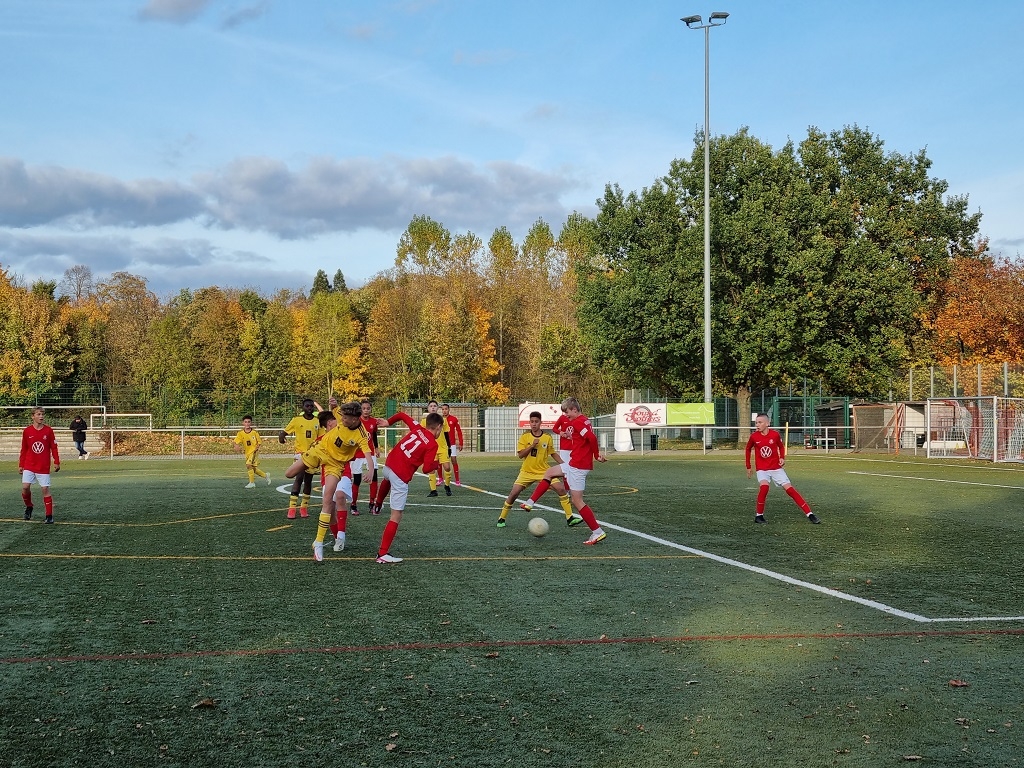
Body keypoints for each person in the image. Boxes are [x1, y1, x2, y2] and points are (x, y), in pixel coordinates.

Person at [285, 402, 371, 562]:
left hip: (335, 465)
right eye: (341, 417)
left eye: (345, 418)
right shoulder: (339, 418)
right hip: (319, 451)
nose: (341, 420)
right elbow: (327, 412)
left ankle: (318, 542)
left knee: (328, 500)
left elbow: (367, 453)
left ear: (354, 419)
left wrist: (370, 471)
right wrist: (332, 404)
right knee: (289, 474)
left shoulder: (361, 434)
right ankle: (333, 536)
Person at [520, 397, 608, 545]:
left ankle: (597, 531)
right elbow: (585, 437)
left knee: (577, 501)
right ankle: (530, 502)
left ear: (574, 409)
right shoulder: (584, 420)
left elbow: (592, 438)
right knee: (549, 473)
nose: (566, 416)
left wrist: (596, 455)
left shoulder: (579, 422)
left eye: (567, 413)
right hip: (575, 463)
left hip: (578, 466)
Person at [368, 411, 443, 564]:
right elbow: (426, 469)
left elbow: (402, 415)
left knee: (387, 479)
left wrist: (388, 422)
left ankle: (377, 504)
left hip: (389, 465)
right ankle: (382, 553)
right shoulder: (432, 444)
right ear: (439, 427)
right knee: (396, 515)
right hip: (400, 475)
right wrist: (437, 464)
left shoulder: (417, 428)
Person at [497, 410, 581, 528]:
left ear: (540, 422)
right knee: (513, 493)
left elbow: (552, 453)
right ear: (529, 423)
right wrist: (532, 446)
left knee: (561, 489)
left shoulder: (547, 437)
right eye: (532, 421)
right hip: (526, 472)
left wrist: (565, 465)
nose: (534, 424)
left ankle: (570, 518)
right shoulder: (525, 436)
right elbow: (521, 455)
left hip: (544, 471)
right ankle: (502, 518)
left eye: (536, 421)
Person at [745, 413, 819, 524]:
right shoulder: (754, 436)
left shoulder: (775, 435)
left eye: (760, 422)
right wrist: (748, 466)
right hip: (762, 469)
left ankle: (810, 514)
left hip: (776, 468)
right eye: (756, 423)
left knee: (790, 490)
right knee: (764, 488)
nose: (757, 425)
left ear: (767, 423)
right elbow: (747, 449)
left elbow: (780, 446)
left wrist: (782, 458)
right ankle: (759, 516)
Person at [278, 398, 324, 519]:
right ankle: (292, 508)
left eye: (311, 406)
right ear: (303, 408)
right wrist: (281, 437)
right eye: (307, 406)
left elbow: (322, 437)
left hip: (312, 454)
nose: (309, 408)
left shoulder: (317, 421)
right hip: (300, 454)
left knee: (308, 480)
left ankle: (304, 507)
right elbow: (284, 432)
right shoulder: (296, 420)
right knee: (299, 478)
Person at [19, 407, 60, 523]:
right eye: (38, 414)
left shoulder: (48, 431)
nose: (41, 416)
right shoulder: (27, 431)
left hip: (43, 465)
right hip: (29, 464)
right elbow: (24, 449)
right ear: (33, 416)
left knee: (45, 489)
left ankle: (49, 516)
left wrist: (56, 461)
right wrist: (21, 464)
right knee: (25, 487)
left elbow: (54, 447)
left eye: (42, 414)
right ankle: (29, 506)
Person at [349, 398, 381, 515]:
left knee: (374, 477)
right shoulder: (356, 421)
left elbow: (374, 435)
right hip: (357, 454)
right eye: (363, 408)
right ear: (360, 410)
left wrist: (376, 448)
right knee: (357, 480)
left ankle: (372, 503)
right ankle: (353, 505)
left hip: (370, 453)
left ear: (371, 409)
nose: (366, 410)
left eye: (368, 408)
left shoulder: (374, 421)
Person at [421, 400, 453, 497]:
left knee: (447, 467)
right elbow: (422, 435)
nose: (433, 407)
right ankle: (433, 490)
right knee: (431, 469)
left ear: (437, 408)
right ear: (428, 408)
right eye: (431, 406)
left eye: (435, 406)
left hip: (442, 448)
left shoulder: (443, 420)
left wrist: (449, 447)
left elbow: (446, 434)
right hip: (431, 449)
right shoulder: (424, 421)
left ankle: (447, 486)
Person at [233, 416, 270, 488]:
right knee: (252, 468)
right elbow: (235, 441)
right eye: (245, 422)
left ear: (251, 423)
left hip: (254, 452)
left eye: (249, 422)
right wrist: (236, 446)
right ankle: (265, 475)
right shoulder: (240, 433)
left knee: (248, 465)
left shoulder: (254, 432)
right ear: (243, 423)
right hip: (247, 453)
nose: (247, 423)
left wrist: (257, 447)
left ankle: (252, 483)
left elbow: (259, 442)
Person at [440, 403, 464, 485]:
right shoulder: (439, 420)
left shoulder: (453, 419)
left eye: (446, 409)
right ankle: (440, 479)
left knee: (453, 460)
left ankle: (457, 480)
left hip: (452, 444)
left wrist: (461, 443)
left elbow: (459, 431)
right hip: (442, 444)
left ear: (449, 409)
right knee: (439, 462)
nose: (444, 411)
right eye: (443, 409)